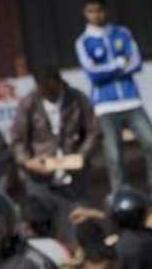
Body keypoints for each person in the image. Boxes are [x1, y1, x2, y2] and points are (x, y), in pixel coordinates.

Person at [76, 0, 152, 196]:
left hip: (132, 100)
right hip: (105, 106)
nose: (96, 15)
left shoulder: (122, 33)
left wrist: (111, 68)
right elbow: (94, 75)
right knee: (114, 155)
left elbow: (137, 63)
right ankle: (120, 195)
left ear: (105, 11)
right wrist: (119, 65)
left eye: (99, 10)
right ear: (85, 13)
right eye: (91, 11)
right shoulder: (83, 42)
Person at [9, 65, 95, 247]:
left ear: (58, 82)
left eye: (49, 87)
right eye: (41, 87)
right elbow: (17, 140)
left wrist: (82, 155)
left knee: (79, 228)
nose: (45, 91)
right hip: (41, 180)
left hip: (74, 179)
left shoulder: (77, 99)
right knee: (43, 232)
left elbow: (93, 131)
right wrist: (28, 161)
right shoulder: (28, 103)